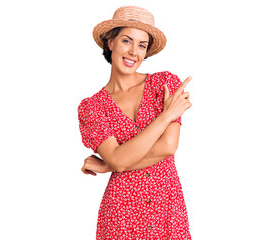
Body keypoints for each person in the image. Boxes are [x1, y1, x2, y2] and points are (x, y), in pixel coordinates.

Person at [77, 5, 192, 239]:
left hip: (166, 208)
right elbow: (119, 160)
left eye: (142, 45)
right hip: (121, 212)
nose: (133, 53)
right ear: (110, 42)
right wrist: (165, 116)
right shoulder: (93, 107)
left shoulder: (165, 84)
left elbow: (168, 146)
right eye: (127, 41)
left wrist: (110, 164)